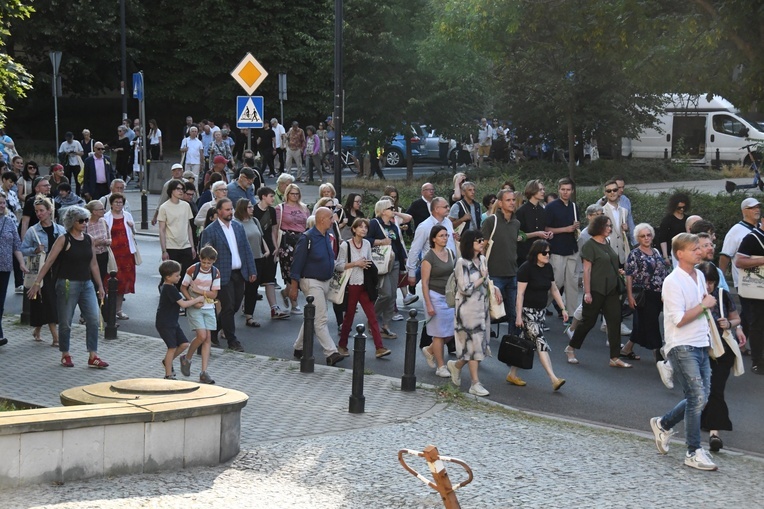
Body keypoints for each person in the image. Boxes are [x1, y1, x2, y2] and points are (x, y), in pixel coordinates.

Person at [650, 233, 718, 471]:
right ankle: (693, 451)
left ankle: (663, 424)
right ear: (680, 254)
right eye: (694, 249)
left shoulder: (699, 275)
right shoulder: (672, 281)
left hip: (701, 343)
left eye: (700, 248)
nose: (699, 252)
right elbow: (679, 320)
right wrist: (704, 305)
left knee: (700, 397)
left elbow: (700, 308)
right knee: (697, 397)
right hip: (681, 345)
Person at [26, 206, 108, 368]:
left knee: (93, 319)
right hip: (67, 284)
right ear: (72, 222)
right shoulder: (64, 239)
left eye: (86, 220)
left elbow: (93, 264)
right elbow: (49, 261)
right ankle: (65, 353)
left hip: (87, 284)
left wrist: (100, 285)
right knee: (65, 321)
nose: (85, 223)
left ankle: (93, 355)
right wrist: (37, 283)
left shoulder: (89, 239)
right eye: (81, 221)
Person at [565, 214, 631, 368]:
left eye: (610, 226)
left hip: (612, 289)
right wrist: (587, 292)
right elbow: (587, 271)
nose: (610, 228)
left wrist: (618, 272)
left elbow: (609, 262)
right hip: (596, 289)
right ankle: (570, 348)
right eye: (607, 225)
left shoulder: (607, 243)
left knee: (614, 322)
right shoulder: (589, 245)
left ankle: (614, 357)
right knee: (588, 322)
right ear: (599, 227)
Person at [696, 261, 746, 453]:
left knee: (716, 389)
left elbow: (736, 318)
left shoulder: (722, 295)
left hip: (722, 349)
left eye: (712, 282)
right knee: (703, 390)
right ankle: (706, 423)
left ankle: (714, 433)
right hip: (701, 347)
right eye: (706, 281)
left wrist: (730, 324)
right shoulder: (693, 296)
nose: (709, 286)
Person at [199, 198, 257, 352]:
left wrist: (252, 270)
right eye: (226, 209)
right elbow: (205, 254)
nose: (230, 212)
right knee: (228, 307)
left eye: (231, 209)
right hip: (222, 275)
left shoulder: (238, 227)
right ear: (218, 211)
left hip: (239, 273)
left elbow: (246, 249)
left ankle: (212, 332)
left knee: (235, 306)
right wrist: (207, 275)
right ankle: (232, 341)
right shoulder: (210, 231)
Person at [447, 229, 500, 397]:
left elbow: (486, 280)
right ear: (470, 244)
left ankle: (456, 366)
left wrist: (494, 287)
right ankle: (475, 383)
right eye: (478, 241)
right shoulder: (462, 263)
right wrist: (482, 279)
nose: (482, 243)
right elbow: (465, 289)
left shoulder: (482, 259)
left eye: (482, 240)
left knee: (478, 345)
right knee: (474, 346)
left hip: (481, 308)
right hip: (467, 311)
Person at [289, 207, 345, 366]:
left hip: (325, 281)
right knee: (321, 318)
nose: (332, 221)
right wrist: (294, 287)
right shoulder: (307, 238)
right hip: (311, 282)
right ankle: (331, 352)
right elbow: (296, 265)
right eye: (330, 218)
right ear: (321, 220)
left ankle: (299, 348)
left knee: (311, 316)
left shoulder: (327, 236)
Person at [510, 239, 567, 390]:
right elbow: (520, 294)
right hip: (527, 312)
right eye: (544, 252)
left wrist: (563, 309)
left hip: (540, 313)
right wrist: (518, 315)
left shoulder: (548, 268)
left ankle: (512, 374)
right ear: (536, 253)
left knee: (526, 343)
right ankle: (553, 378)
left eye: (549, 252)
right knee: (540, 341)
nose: (547, 255)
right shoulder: (526, 268)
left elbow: (554, 289)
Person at [335, 218, 391, 359]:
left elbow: (370, 261)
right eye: (360, 227)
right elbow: (338, 265)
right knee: (349, 316)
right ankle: (342, 345)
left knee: (372, 316)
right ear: (353, 229)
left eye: (365, 227)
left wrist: (369, 266)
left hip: (365, 285)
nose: (363, 229)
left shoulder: (366, 244)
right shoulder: (345, 246)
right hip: (352, 284)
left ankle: (379, 347)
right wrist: (356, 263)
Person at [624, 223, 670, 363]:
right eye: (643, 236)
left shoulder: (656, 251)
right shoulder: (635, 254)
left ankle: (626, 349)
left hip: (659, 293)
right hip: (644, 294)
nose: (646, 238)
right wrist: (630, 296)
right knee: (651, 324)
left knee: (641, 324)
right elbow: (629, 276)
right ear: (638, 238)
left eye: (648, 235)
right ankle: (658, 354)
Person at [720, 197, 760, 355]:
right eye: (752, 208)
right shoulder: (736, 231)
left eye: (758, 207)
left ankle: (738, 342)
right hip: (744, 281)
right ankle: (739, 345)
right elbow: (725, 255)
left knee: (751, 313)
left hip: (759, 281)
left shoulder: (760, 228)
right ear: (744, 211)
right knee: (751, 314)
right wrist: (720, 278)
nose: (756, 210)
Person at [22, 197, 63, 346]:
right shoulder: (33, 231)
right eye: (36, 211)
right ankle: (56, 338)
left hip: (57, 271)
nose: (39, 214)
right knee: (50, 302)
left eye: (41, 210)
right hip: (42, 272)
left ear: (49, 211)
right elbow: (23, 249)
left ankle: (37, 330)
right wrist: (35, 250)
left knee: (47, 302)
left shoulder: (60, 229)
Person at [480, 188, 521, 334]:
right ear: (500, 202)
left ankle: (512, 346)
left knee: (514, 314)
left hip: (512, 273)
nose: (512, 203)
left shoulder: (516, 223)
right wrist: (483, 270)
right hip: (494, 274)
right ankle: (479, 342)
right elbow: (481, 247)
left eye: (513, 200)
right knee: (490, 311)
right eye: (508, 200)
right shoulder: (491, 221)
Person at [155, 260, 204, 380]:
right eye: (176, 275)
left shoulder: (170, 287)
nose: (179, 277)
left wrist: (192, 301)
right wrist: (197, 300)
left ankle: (167, 361)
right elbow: (183, 304)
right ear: (168, 277)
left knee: (184, 344)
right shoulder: (168, 288)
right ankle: (168, 374)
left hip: (172, 322)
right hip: (165, 323)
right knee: (171, 347)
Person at [367, 199, 408, 339]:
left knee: (393, 296)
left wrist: (403, 259)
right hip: (381, 262)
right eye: (391, 208)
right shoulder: (374, 223)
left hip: (394, 261)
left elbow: (397, 243)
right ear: (383, 210)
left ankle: (385, 326)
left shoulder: (393, 225)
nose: (393, 210)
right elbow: (367, 239)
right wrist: (380, 242)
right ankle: (372, 319)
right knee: (386, 294)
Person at [179, 247, 220, 384]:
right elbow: (183, 287)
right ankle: (187, 358)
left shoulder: (215, 273)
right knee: (201, 336)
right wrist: (192, 300)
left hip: (209, 307)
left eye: (209, 263)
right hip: (195, 306)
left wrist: (199, 291)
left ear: (213, 262)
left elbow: (214, 294)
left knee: (207, 338)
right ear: (200, 259)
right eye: (204, 262)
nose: (206, 265)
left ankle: (204, 372)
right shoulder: (192, 270)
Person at [420, 225, 455, 377]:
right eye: (441, 236)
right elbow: (425, 283)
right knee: (439, 334)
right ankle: (441, 367)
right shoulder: (429, 257)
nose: (445, 238)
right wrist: (428, 304)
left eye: (446, 235)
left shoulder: (451, 253)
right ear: (434, 238)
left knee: (452, 330)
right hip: (435, 296)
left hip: (449, 296)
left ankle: (429, 349)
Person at [544, 177, 581, 318]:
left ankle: (572, 315)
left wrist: (576, 228)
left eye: (568, 190)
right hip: (557, 249)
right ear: (558, 189)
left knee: (572, 284)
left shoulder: (573, 206)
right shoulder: (551, 207)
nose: (565, 192)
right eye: (563, 189)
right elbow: (546, 228)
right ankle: (539, 308)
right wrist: (566, 229)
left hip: (572, 248)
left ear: (572, 191)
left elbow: (575, 227)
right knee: (557, 282)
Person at [253, 187, 289, 320]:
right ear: (263, 197)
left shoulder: (272, 211)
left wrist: (276, 247)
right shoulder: (253, 210)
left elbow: (274, 230)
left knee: (270, 280)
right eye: (271, 196)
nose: (273, 199)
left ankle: (274, 308)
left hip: (269, 246)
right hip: (257, 248)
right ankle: (247, 305)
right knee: (253, 280)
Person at [733, 219, 764, 375]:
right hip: (758, 290)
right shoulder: (752, 238)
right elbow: (739, 261)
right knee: (758, 324)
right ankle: (758, 362)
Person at [276, 183, 310, 314]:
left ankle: (286, 292)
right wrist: (275, 246)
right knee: (290, 272)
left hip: (302, 240)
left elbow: (308, 225)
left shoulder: (304, 208)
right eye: (292, 193)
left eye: (297, 194)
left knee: (301, 271)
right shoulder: (280, 208)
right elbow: (276, 228)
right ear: (287, 194)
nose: (295, 196)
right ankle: (294, 302)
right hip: (287, 241)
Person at [233, 198, 267, 328]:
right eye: (249, 207)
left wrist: (266, 250)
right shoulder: (236, 223)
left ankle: (249, 316)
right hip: (242, 259)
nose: (252, 209)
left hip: (257, 257)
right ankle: (229, 320)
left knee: (253, 288)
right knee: (239, 289)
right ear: (242, 209)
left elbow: (260, 236)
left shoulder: (255, 221)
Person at [158, 179, 196, 288]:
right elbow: (162, 229)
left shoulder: (186, 205)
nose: (181, 191)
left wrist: (192, 246)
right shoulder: (164, 207)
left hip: (185, 245)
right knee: (170, 273)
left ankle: (180, 294)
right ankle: (164, 288)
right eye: (178, 189)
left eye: (182, 189)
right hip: (171, 245)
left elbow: (188, 226)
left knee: (186, 273)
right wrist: (164, 250)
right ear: (171, 190)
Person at [104, 193, 137, 320]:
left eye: (121, 202)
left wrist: (132, 227)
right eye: (116, 202)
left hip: (126, 254)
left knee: (123, 282)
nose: (118, 204)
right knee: (109, 281)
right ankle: (108, 309)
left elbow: (133, 233)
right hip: (112, 254)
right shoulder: (106, 217)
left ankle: (119, 310)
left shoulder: (127, 215)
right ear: (111, 204)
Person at [0, 191, 27, 346]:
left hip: (4, 267)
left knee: (0, 302)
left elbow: (16, 245)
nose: (2, 206)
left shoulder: (9, 221)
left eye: (3, 203)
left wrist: (21, 263)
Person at [515, 180, 552, 266]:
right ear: (532, 190)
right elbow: (518, 235)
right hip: (525, 254)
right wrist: (536, 234)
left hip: (540, 253)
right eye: (540, 190)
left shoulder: (543, 211)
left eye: (543, 189)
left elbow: (543, 228)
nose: (543, 192)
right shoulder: (521, 211)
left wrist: (548, 234)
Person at [657, 192, 690, 264]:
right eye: (679, 208)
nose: (682, 209)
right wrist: (665, 256)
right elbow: (663, 239)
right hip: (672, 253)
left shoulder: (688, 219)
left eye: (683, 207)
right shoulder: (667, 220)